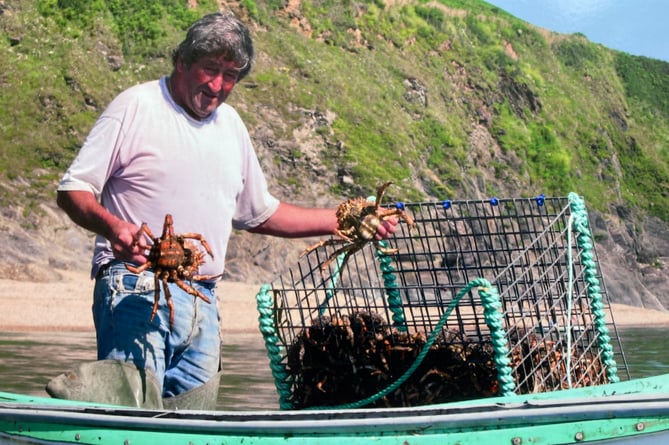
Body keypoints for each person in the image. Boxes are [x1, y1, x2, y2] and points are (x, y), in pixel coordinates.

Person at [56, 11, 396, 401]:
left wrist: (345, 221)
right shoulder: (136, 107)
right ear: (182, 61)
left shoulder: (231, 126)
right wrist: (113, 227)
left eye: (231, 74)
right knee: (131, 419)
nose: (218, 85)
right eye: (210, 69)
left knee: (192, 427)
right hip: (136, 287)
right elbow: (73, 189)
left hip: (204, 301)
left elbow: (261, 212)